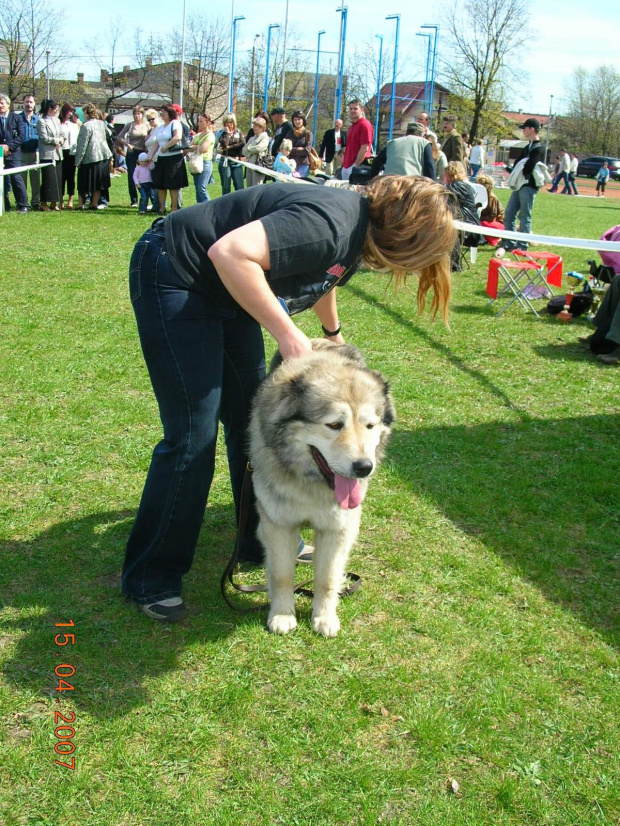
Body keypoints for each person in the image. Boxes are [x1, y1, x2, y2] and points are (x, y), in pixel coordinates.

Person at [121, 175, 457, 621]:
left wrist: (332, 334)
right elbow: (230, 253)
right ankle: (152, 575)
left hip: (226, 288)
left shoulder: (354, 230)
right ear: (407, 235)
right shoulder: (333, 220)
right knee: (191, 436)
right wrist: (290, 337)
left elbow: (325, 275)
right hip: (177, 272)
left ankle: (253, 541)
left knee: (255, 420)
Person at [499, 118, 545, 252]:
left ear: (531, 129)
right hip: (520, 185)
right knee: (509, 213)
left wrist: (519, 169)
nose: (523, 130)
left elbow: (527, 168)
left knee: (524, 215)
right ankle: (509, 241)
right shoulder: (528, 147)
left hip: (529, 186)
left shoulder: (539, 148)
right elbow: (518, 164)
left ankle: (522, 245)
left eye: (525, 128)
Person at [148, 103, 188, 215]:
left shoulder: (175, 123)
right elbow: (156, 142)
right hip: (162, 159)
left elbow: (177, 137)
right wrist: (151, 155)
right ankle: (161, 208)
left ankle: (174, 208)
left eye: (164, 112)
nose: (162, 114)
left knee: (173, 185)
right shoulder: (161, 127)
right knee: (160, 185)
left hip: (174, 158)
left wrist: (166, 146)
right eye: (161, 112)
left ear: (170, 113)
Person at [74, 103, 113, 210]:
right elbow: (109, 134)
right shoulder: (102, 123)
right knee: (98, 183)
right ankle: (94, 204)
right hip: (103, 156)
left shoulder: (85, 126)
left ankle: (81, 204)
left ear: (86, 113)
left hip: (90, 158)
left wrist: (78, 161)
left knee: (83, 183)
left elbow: (82, 145)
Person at [370, 121, 436, 179]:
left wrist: (372, 179)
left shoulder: (392, 142)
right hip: (411, 182)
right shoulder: (424, 143)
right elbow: (429, 167)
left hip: (390, 182)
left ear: (407, 132)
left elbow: (377, 162)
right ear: (422, 134)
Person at [116, 105, 150, 207]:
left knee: (145, 175)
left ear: (142, 115)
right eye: (135, 114)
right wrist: (127, 145)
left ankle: (146, 197)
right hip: (132, 152)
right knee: (132, 175)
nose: (136, 116)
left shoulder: (147, 125)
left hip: (143, 152)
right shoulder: (129, 125)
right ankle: (134, 200)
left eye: (139, 114)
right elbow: (119, 137)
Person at [0, 93, 28, 213]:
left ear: (8, 104)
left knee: (16, 178)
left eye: (2, 103)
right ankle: (5, 205)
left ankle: (23, 205)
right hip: (0, 155)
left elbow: (21, 136)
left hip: (14, 154)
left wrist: (9, 147)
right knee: (3, 181)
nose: (0, 105)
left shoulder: (17, 118)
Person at [37, 98, 64, 212]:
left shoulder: (57, 120)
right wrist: (56, 140)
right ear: (50, 108)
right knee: (48, 179)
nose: (57, 110)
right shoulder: (41, 121)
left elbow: (61, 133)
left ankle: (54, 202)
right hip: (47, 154)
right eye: (56, 108)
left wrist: (61, 139)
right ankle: (43, 202)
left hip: (58, 154)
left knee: (57, 179)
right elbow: (44, 138)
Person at [341, 99, 373, 182]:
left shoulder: (364, 125)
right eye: (351, 109)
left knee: (354, 193)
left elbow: (364, 148)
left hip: (357, 166)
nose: (352, 111)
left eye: (355, 109)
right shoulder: (352, 126)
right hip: (347, 165)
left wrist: (355, 165)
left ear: (362, 110)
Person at [187, 112, 215, 204]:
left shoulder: (210, 135)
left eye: (202, 121)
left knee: (202, 187)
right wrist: (196, 146)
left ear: (207, 123)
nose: (199, 123)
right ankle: (200, 207)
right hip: (196, 162)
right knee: (197, 188)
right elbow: (189, 148)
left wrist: (195, 146)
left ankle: (209, 206)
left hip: (205, 163)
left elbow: (203, 148)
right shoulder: (197, 135)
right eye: (199, 121)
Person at [19, 93, 40, 210]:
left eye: (31, 102)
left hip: (35, 152)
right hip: (21, 153)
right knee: (22, 179)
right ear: (23, 103)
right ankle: (23, 203)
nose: (29, 104)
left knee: (35, 179)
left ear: (34, 104)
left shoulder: (38, 120)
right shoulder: (17, 118)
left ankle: (35, 202)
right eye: (26, 102)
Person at [217, 113, 245, 195]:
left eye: (231, 122)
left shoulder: (238, 132)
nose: (229, 124)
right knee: (226, 187)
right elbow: (224, 145)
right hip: (225, 162)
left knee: (239, 187)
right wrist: (226, 133)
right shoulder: (221, 133)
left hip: (236, 162)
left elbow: (242, 143)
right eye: (227, 122)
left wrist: (230, 147)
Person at [475, 172, 505, 246]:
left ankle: (497, 240)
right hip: (484, 223)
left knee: (482, 223)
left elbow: (492, 218)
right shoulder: (478, 197)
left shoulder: (492, 199)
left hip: (498, 224)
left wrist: (478, 218)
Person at [59, 102, 79, 209]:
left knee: (71, 177)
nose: (70, 113)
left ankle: (70, 200)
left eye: (72, 112)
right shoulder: (58, 123)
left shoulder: (74, 125)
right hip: (62, 152)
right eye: (69, 111)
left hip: (72, 153)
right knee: (61, 177)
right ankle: (60, 200)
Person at [242, 116, 270, 186]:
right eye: (254, 125)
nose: (254, 128)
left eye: (256, 126)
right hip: (249, 165)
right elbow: (243, 151)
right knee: (249, 188)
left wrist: (249, 148)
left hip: (258, 166)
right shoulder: (252, 138)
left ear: (262, 127)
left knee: (256, 187)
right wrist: (251, 149)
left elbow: (259, 148)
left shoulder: (265, 137)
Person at [288, 110, 313, 178]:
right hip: (290, 164)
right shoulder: (290, 133)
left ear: (303, 120)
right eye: (295, 119)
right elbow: (286, 148)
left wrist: (293, 150)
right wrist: (298, 149)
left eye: (299, 119)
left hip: (303, 165)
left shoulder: (308, 133)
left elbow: (307, 150)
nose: (297, 121)